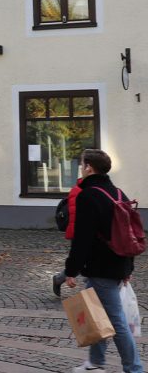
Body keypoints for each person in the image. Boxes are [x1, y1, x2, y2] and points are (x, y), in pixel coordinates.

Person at [63, 148, 143, 373]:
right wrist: (128, 267)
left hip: (101, 268)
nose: (81, 168)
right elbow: (129, 233)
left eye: (82, 164)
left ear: (89, 167)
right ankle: (95, 364)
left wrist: (71, 270)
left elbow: (83, 238)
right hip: (117, 264)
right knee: (95, 314)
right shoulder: (118, 193)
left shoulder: (89, 195)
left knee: (116, 321)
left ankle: (134, 368)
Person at [52, 169, 89, 296]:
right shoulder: (79, 191)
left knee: (85, 264)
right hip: (81, 234)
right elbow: (74, 218)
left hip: (90, 234)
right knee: (82, 263)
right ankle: (59, 279)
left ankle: (60, 279)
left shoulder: (90, 190)